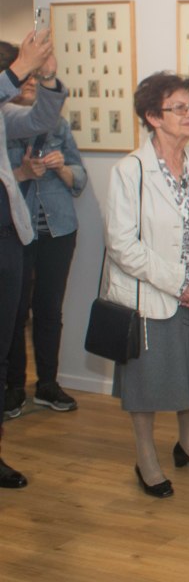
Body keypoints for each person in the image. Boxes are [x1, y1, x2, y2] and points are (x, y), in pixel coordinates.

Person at [105, 72, 189, 498]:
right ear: (153, 117)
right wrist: (179, 283)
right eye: (179, 108)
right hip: (151, 294)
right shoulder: (130, 171)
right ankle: (146, 460)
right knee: (145, 383)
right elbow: (122, 244)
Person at [3, 39, 85, 418]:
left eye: (34, 76)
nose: (30, 82)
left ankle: (47, 384)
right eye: (25, 76)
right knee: (15, 313)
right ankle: (14, 387)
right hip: (17, 231)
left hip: (55, 228)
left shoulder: (50, 124)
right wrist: (22, 172)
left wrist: (62, 168)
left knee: (49, 309)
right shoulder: (6, 120)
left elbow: (79, 175)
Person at [0, 29, 61, 490]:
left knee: (2, 349)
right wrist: (19, 67)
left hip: (8, 238)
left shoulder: (4, 112)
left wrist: (49, 78)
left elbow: (40, 118)